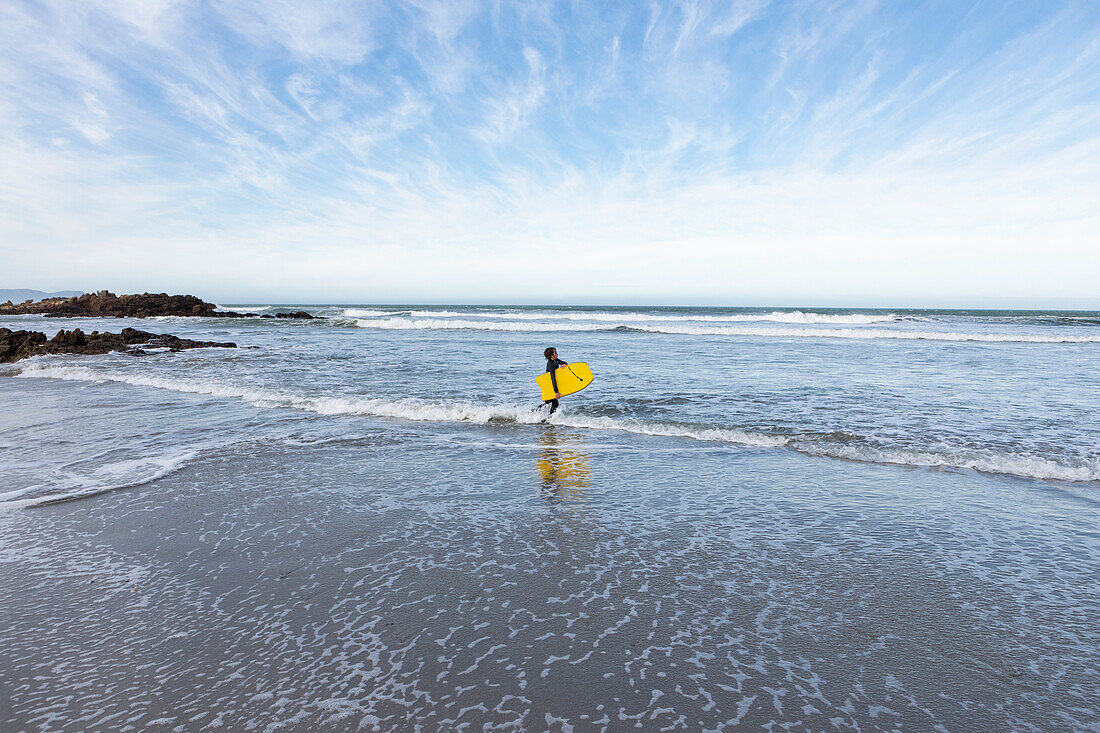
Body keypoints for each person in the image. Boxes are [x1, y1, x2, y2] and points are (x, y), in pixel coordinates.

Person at [543, 346, 567, 415]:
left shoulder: (555, 360)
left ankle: (535, 413)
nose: (557, 354)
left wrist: (564, 364)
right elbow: (553, 378)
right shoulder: (551, 364)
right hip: (550, 385)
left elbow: (564, 362)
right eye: (555, 353)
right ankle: (549, 418)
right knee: (554, 403)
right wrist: (556, 392)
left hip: (552, 385)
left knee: (549, 403)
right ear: (551, 356)